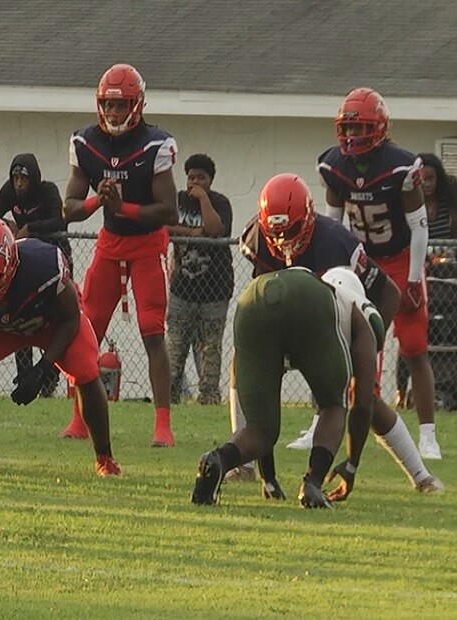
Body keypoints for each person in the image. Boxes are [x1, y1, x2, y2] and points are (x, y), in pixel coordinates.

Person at [234, 173, 443, 493]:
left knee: (364, 398)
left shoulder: (335, 242)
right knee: (243, 366)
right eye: (275, 233)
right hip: (284, 325)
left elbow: (388, 293)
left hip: (328, 331)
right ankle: (248, 465)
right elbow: (263, 291)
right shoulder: (257, 238)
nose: (282, 242)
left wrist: (369, 343)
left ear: (307, 218)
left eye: (290, 231)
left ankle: (421, 476)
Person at [0, 218, 120, 475]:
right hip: (0, 331)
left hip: (51, 325)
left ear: (9, 265)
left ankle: (105, 457)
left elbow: (71, 319)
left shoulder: (43, 267)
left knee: (86, 373)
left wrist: (44, 368)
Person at [192, 267, 381, 508]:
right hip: (310, 303)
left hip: (253, 296)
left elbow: (260, 402)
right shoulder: (361, 313)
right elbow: (363, 404)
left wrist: (269, 478)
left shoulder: (296, 284)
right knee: (333, 406)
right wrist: (351, 466)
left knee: (260, 427)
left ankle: (218, 460)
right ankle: (312, 484)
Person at [318, 87, 440, 460]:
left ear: (380, 128)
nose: (353, 137)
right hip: (361, 261)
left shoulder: (401, 166)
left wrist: (415, 276)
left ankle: (427, 434)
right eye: (349, 129)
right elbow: (333, 223)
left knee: (414, 347)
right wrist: (332, 268)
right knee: (342, 345)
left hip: (400, 258)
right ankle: (322, 423)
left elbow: (419, 227)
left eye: (361, 129)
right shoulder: (333, 164)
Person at [62, 63, 179, 446]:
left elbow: (168, 210)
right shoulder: (86, 142)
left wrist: (123, 206)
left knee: (152, 331)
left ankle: (162, 424)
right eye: (108, 106)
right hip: (110, 244)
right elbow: (70, 206)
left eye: (121, 105)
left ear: (137, 104)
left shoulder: (154, 144)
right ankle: (80, 417)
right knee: (87, 330)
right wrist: (101, 201)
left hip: (148, 244)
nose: (113, 114)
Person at [0, 153, 69, 401]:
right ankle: (24, 374)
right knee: (20, 313)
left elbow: (60, 222)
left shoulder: (48, 191)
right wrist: (8, 226)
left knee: (56, 316)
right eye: (15, 178)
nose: (19, 184)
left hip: (54, 259)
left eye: (23, 179)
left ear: (33, 179)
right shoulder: (10, 192)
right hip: (25, 260)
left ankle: (51, 373)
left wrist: (31, 228)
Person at [165, 154, 234, 406]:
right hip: (182, 290)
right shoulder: (176, 201)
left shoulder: (220, 203)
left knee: (210, 352)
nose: (194, 182)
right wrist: (193, 232)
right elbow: (162, 227)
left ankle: (208, 400)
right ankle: (169, 399)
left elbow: (216, 230)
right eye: (191, 177)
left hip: (215, 291)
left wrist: (203, 199)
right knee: (174, 351)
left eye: (200, 178)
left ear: (210, 180)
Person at [396, 153, 457, 409]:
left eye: (432, 178)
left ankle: (449, 387)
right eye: (424, 178)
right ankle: (401, 391)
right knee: (409, 337)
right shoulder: (409, 200)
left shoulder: (449, 203)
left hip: (448, 276)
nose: (428, 183)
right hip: (417, 273)